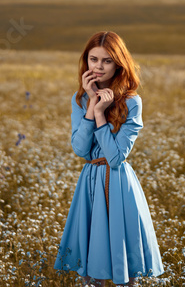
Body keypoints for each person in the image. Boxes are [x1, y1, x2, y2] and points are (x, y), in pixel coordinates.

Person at [54, 31, 164, 286]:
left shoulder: (132, 102)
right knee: (90, 271)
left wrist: (102, 114)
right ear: (86, 61)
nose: (99, 67)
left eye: (107, 61)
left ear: (118, 64)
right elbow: (80, 149)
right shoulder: (80, 99)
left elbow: (115, 158)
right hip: (89, 183)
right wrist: (91, 106)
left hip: (118, 186)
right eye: (93, 60)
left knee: (123, 266)